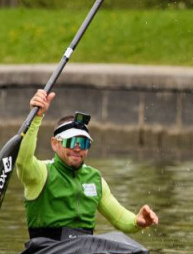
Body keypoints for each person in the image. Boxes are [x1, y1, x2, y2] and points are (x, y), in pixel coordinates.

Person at [17, 89, 158, 241]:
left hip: (83, 253)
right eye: (71, 141)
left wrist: (137, 221)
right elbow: (23, 161)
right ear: (55, 144)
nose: (77, 148)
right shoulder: (40, 174)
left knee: (120, 240)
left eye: (83, 143)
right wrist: (36, 118)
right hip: (45, 253)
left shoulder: (95, 179)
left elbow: (121, 219)